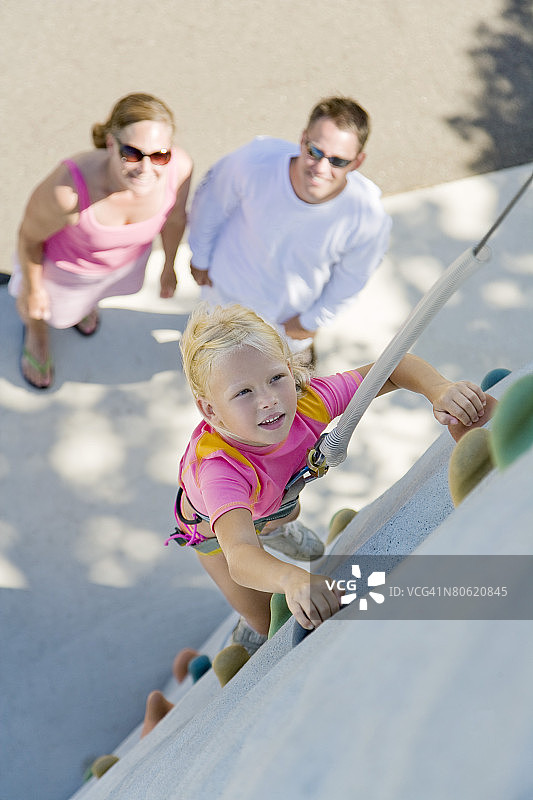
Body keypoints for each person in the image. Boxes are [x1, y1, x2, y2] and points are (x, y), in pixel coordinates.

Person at [10, 92, 193, 389]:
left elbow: (174, 219)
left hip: (124, 266)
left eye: (160, 155)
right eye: (132, 153)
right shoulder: (67, 190)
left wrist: (169, 266)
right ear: (111, 143)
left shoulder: (180, 169)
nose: (147, 170)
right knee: (44, 311)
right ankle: (36, 333)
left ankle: (84, 306)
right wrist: (33, 290)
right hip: (66, 273)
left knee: (91, 301)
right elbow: (29, 239)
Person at [187, 96, 391, 358]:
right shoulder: (253, 162)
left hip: (286, 324)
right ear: (303, 138)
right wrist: (200, 256)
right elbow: (210, 202)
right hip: (222, 299)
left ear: (357, 162)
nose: (321, 167)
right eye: (314, 151)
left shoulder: (368, 217)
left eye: (338, 161)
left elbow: (352, 277)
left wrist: (310, 323)